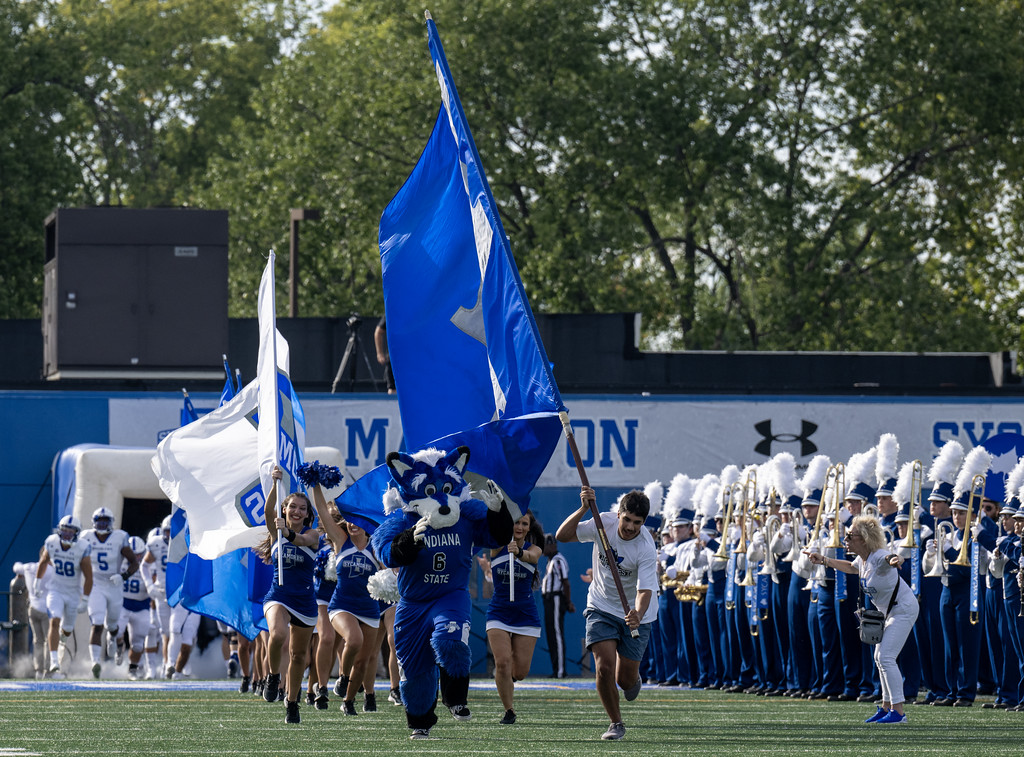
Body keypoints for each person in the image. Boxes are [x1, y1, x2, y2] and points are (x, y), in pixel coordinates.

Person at [556, 486, 658, 742]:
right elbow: (562, 535)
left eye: (637, 522)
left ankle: (633, 679)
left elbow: (645, 590)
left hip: (636, 615)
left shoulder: (646, 546)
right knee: (603, 667)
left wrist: (637, 612)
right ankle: (616, 722)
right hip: (600, 606)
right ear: (619, 513)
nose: (631, 527)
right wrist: (583, 509)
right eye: (627, 519)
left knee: (624, 680)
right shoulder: (603, 523)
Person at [806, 515, 919, 724]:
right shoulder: (863, 559)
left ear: (864, 538)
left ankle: (899, 712)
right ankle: (886, 707)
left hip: (903, 609)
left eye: (851, 535)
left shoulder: (878, 556)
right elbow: (851, 567)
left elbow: (891, 558)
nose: (846, 539)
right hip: (890, 611)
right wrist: (824, 560)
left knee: (886, 657)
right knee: (879, 657)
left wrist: (896, 560)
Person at [309, 483, 382, 717]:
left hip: (369, 608)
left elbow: (393, 570)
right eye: (348, 519)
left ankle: (349, 700)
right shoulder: (341, 540)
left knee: (364, 661)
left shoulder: (377, 547)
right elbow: (321, 509)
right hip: (341, 605)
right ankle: (342, 676)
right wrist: (316, 484)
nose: (351, 523)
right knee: (353, 638)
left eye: (356, 519)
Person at [255, 465, 319, 725]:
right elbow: (268, 512)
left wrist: (289, 532)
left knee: (298, 656)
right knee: (278, 634)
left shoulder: (313, 535)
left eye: (302, 509)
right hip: (278, 596)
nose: (297, 511)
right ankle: (272, 677)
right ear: (285, 509)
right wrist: (274, 483)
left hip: (304, 601)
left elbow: (302, 542)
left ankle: (292, 703)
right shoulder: (275, 532)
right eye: (292, 506)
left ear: (307, 514)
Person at [486, 510, 545, 724]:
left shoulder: (534, 549)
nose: (519, 527)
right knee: (502, 662)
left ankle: (506, 680)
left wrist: (518, 553)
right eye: (515, 523)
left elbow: (530, 557)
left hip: (525, 614)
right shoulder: (496, 546)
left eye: (524, 524)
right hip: (498, 612)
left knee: (519, 672)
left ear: (529, 527)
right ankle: (509, 710)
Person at [80, 506, 138, 678]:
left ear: (111, 522)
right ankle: (95, 662)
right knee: (97, 623)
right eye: (100, 521)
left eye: (106, 521)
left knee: (112, 625)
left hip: (114, 585)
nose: (103, 524)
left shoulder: (120, 537)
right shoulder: (86, 537)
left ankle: (114, 639)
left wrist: (124, 576)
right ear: (94, 522)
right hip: (96, 583)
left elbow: (134, 562)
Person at [36, 515, 93, 678]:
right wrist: (37, 583)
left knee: (67, 629)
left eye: (71, 532)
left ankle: (61, 639)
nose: (67, 535)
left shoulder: (82, 547)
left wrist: (86, 599)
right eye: (65, 531)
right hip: (55, 590)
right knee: (54, 621)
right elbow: (43, 560)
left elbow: (89, 576)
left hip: (73, 593)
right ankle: (54, 660)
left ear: (76, 533)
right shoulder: (52, 541)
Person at [13, 549, 51, 678]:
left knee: (37, 641)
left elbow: (16, 566)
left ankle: (38, 670)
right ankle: (48, 670)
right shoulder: (52, 571)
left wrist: (20, 575)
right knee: (49, 641)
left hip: (33, 608)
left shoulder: (29, 567)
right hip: (47, 610)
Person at [540, 533, 573, 679]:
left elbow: (565, 583)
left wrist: (568, 602)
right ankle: (556, 669)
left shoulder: (558, 560)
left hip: (556, 599)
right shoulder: (551, 560)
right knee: (551, 635)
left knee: (557, 634)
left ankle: (560, 671)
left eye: (544, 545)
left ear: (551, 545)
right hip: (549, 599)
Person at [374, 316, 396, 394]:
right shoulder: (392, 312)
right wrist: (380, 354)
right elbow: (378, 332)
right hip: (394, 358)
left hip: (413, 359)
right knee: (393, 388)